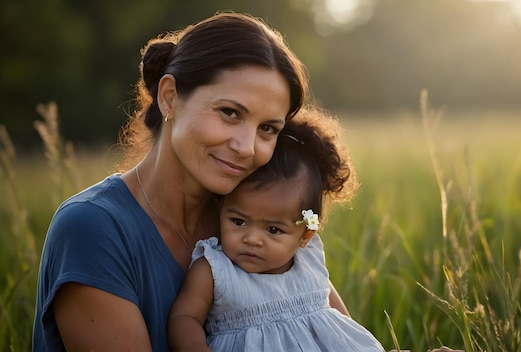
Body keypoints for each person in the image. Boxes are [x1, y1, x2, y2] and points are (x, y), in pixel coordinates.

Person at [32, 12, 349, 351]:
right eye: (230, 112)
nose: (245, 147)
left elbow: (334, 330)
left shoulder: (255, 220)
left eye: (267, 129)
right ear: (169, 97)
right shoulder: (93, 228)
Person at [167, 109, 385, 351]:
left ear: (305, 236)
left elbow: (340, 318)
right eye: (238, 222)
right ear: (221, 209)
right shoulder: (215, 270)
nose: (252, 239)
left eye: (273, 229)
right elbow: (184, 319)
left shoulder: (308, 261)